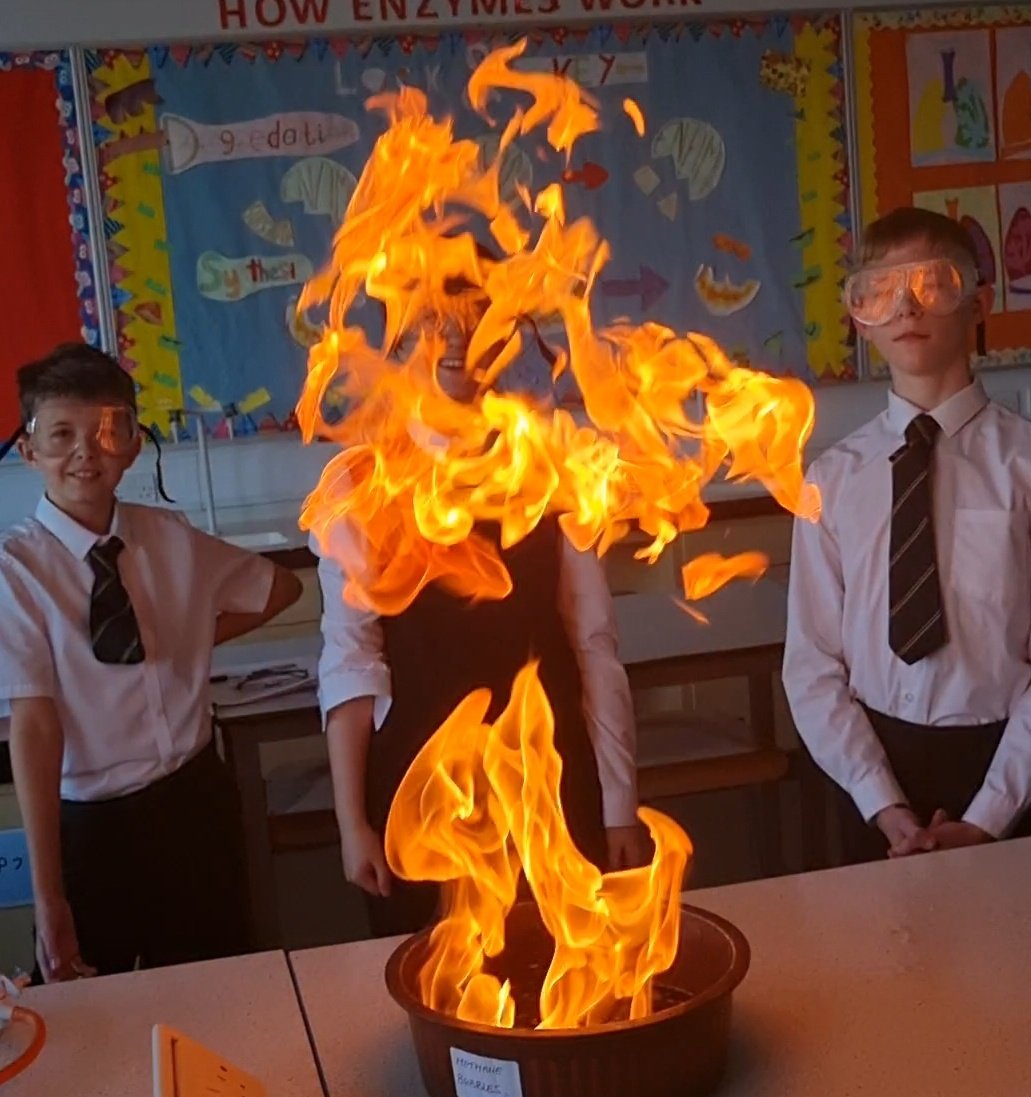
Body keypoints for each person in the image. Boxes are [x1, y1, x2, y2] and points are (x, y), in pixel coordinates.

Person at [313, 278, 649, 937]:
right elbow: (350, 660)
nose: (456, 343)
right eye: (433, 325)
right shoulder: (355, 483)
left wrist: (618, 805)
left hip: (545, 763)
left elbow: (592, 643)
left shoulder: (552, 464)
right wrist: (352, 823)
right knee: (429, 980)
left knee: (560, 972)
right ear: (400, 341)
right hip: (415, 774)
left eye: (477, 324)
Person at [0, 343, 303, 981]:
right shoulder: (16, 573)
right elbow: (34, 722)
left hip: (192, 800)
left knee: (220, 989)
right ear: (30, 453)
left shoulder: (167, 536)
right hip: (91, 825)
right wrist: (50, 896)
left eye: (107, 431)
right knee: (92, 1006)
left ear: (134, 443)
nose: (86, 452)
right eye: (62, 435)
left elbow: (281, 588)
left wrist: (188, 639)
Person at [783, 206, 1031, 863]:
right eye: (879, 290)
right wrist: (883, 804)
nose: (905, 307)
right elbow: (812, 665)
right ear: (859, 318)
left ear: (976, 302)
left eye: (931, 285)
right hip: (867, 775)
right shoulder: (832, 479)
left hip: (1013, 769)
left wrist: (989, 815)